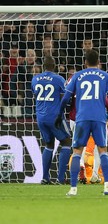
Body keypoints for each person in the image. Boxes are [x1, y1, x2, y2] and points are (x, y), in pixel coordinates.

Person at [56, 49, 108, 196]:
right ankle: (107, 186)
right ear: (99, 62)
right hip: (99, 118)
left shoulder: (77, 76)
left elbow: (65, 99)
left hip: (81, 118)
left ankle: (73, 188)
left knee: (77, 152)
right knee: (102, 151)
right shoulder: (106, 76)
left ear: (85, 62)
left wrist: (60, 113)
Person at [31, 56, 71, 185]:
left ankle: (45, 178)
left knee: (49, 145)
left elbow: (35, 94)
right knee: (66, 142)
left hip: (41, 117)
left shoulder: (35, 79)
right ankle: (60, 179)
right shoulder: (59, 79)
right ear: (54, 66)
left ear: (43, 66)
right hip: (54, 116)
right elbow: (64, 98)